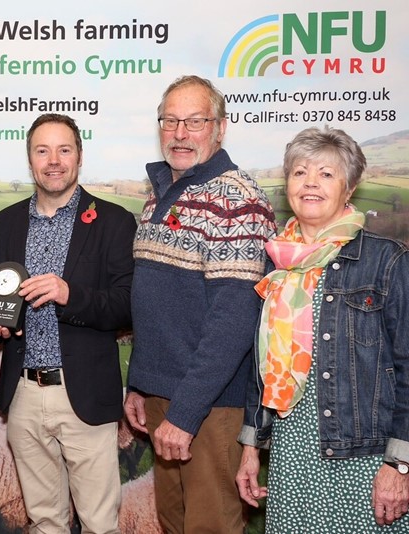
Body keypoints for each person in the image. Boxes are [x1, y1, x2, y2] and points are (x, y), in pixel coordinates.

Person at [123, 75, 276, 533]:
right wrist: (140, 383)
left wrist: (186, 413)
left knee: (210, 526)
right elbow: (156, 305)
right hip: (163, 397)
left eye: (194, 121)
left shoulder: (239, 200)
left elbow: (233, 321)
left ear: (220, 128)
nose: (180, 133)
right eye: (170, 121)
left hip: (210, 407)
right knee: (173, 523)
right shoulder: (162, 194)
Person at [235, 126, 409, 532]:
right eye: (300, 172)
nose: (310, 182)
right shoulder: (276, 265)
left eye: (326, 174)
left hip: (365, 459)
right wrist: (250, 448)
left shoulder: (387, 262)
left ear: (349, 188)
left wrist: (400, 464)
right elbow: (260, 367)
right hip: (293, 454)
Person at [0, 113, 136, 533]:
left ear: (79, 156)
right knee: (43, 522)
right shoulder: (6, 223)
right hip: (22, 393)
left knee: (98, 524)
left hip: (84, 396)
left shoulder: (113, 221)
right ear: (30, 159)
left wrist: (69, 294)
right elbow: (2, 300)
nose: (53, 160)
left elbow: (127, 305)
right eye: (42, 150)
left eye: (64, 149)